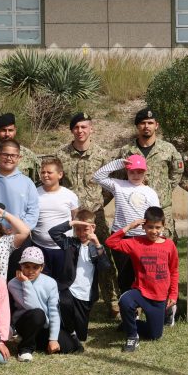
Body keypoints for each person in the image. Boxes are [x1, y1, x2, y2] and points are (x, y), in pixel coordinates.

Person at [58, 111, 117, 317]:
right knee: (72, 259)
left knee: (102, 258)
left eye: (84, 127)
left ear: (91, 129)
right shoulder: (61, 155)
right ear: (71, 130)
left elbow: (112, 186)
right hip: (72, 218)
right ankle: (73, 300)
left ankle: (112, 301)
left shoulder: (103, 155)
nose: (80, 131)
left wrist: (98, 204)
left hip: (96, 216)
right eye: (76, 127)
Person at [106, 207, 179, 353]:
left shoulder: (169, 245)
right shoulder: (135, 243)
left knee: (155, 335)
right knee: (125, 301)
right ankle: (132, 336)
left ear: (163, 226)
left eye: (158, 227)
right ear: (143, 226)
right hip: (140, 292)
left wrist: (173, 294)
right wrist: (129, 226)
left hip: (159, 297)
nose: (154, 231)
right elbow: (110, 242)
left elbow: (174, 271)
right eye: (150, 227)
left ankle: (132, 323)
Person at [94, 154, 162, 294]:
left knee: (143, 274)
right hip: (122, 237)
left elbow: (156, 217)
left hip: (143, 238)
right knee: (124, 275)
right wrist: (119, 163)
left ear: (145, 172)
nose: (136, 175)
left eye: (139, 172)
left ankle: (143, 305)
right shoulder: (118, 185)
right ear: (127, 171)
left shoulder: (150, 192)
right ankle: (127, 306)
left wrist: (159, 237)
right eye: (132, 171)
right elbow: (98, 177)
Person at [113, 108, 185, 239]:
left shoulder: (168, 149)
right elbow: (119, 176)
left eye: (150, 123)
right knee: (135, 251)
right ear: (137, 126)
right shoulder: (126, 151)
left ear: (156, 125)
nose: (146, 126)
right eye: (143, 123)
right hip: (135, 210)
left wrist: (166, 188)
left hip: (162, 209)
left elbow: (177, 171)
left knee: (163, 249)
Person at [49, 210, 113, 343]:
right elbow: (53, 232)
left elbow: (105, 266)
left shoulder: (96, 247)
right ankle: (67, 331)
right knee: (65, 303)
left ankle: (75, 332)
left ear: (93, 227)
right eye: (77, 229)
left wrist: (97, 244)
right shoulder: (70, 243)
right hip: (68, 288)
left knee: (81, 336)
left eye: (85, 229)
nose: (81, 233)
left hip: (86, 293)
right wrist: (72, 222)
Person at [7, 247, 80, 360]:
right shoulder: (14, 284)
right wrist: (26, 283)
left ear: (42, 267)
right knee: (38, 314)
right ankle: (25, 349)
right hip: (26, 323)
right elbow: (31, 306)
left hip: (44, 325)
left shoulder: (50, 283)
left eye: (35, 267)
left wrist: (53, 339)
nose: (30, 271)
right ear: (21, 266)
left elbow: (54, 311)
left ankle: (38, 342)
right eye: (26, 267)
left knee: (70, 347)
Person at [32, 157, 79, 281]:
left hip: (63, 249)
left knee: (64, 283)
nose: (45, 175)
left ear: (60, 174)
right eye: (43, 172)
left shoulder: (69, 195)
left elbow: (75, 219)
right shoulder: (33, 194)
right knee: (42, 282)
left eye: (49, 172)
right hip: (40, 247)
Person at [0, 113, 42, 183]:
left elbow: (38, 184)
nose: (7, 134)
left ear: (15, 131)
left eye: (10, 130)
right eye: (3, 130)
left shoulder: (29, 156)